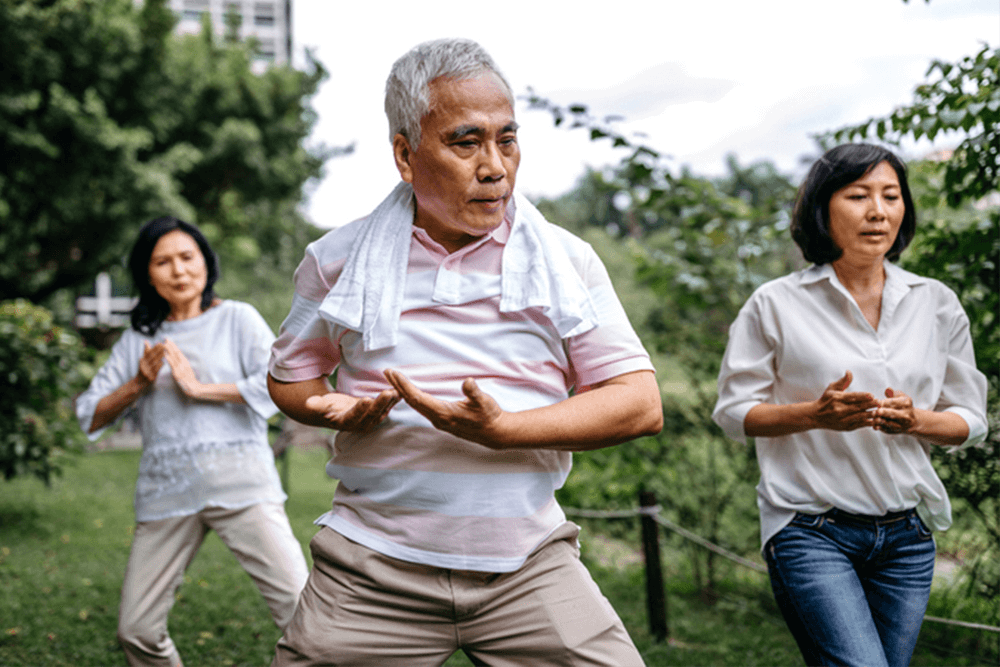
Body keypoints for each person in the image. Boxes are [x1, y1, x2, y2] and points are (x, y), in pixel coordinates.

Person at [267, 38, 663, 667]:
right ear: (405, 154)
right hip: (372, 568)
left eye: (507, 140)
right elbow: (292, 379)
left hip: (529, 564)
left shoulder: (565, 260)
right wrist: (331, 407)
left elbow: (638, 404)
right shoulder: (335, 261)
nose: (495, 167)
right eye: (465, 142)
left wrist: (505, 430)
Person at [713, 144, 988, 667]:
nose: (878, 211)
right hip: (811, 529)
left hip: (906, 539)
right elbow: (732, 413)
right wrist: (813, 415)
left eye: (891, 195)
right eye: (858, 195)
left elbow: (970, 420)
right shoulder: (775, 303)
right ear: (823, 208)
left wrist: (917, 422)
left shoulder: (936, 302)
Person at [76, 216, 309, 667]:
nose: (179, 271)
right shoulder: (138, 341)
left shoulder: (237, 318)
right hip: (167, 494)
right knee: (136, 630)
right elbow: (88, 415)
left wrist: (201, 389)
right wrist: (137, 384)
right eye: (163, 262)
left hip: (242, 487)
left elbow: (278, 387)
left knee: (305, 616)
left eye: (187, 257)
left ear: (206, 262)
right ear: (147, 273)